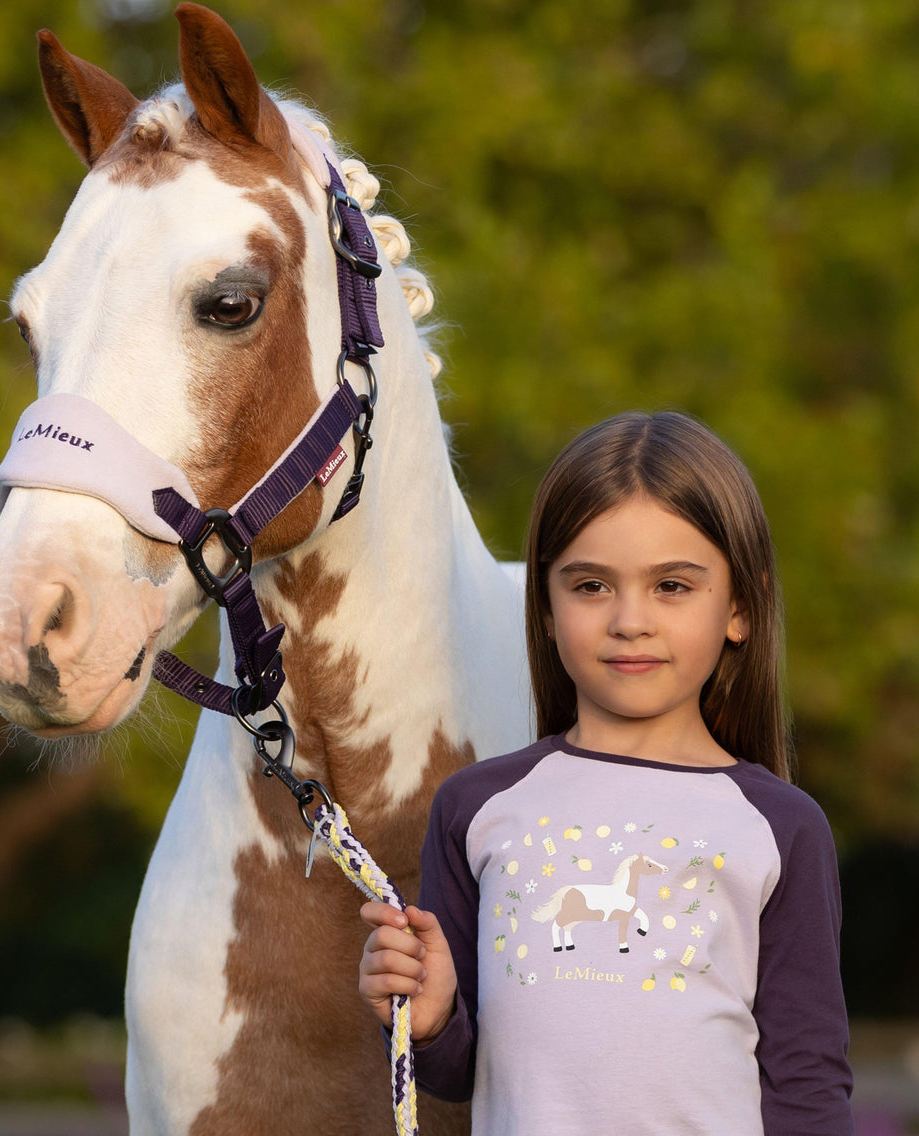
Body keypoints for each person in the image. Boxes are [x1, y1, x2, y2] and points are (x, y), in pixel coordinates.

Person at [358, 411, 853, 1135]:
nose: (630, 620)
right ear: (548, 609)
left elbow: (808, 1082)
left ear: (740, 606)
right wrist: (426, 1020)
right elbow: (461, 1072)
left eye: (673, 587)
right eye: (591, 585)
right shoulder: (477, 806)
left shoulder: (781, 827)